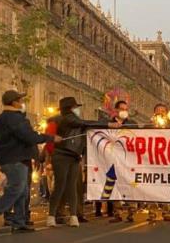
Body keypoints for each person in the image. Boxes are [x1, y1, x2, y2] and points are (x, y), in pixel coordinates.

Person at [0, 91, 60, 234]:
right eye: (20, 100)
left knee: (22, 191)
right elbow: (28, 137)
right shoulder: (15, 118)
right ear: (14, 102)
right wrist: (50, 138)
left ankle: (19, 221)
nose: (22, 102)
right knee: (15, 189)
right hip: (16, 158)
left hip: (8, 158)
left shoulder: (0, 118)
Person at [49, 97, 120, 227]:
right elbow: (85, 123)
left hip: (74, 156)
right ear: (70, 108)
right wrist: (108, 124)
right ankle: (52, 215)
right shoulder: (68, 118)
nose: (78, 109)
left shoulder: (74, 120)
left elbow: (86, 128)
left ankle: (73, 215)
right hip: (62, 155)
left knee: (72, 187)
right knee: (60, 185)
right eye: (75, 107)